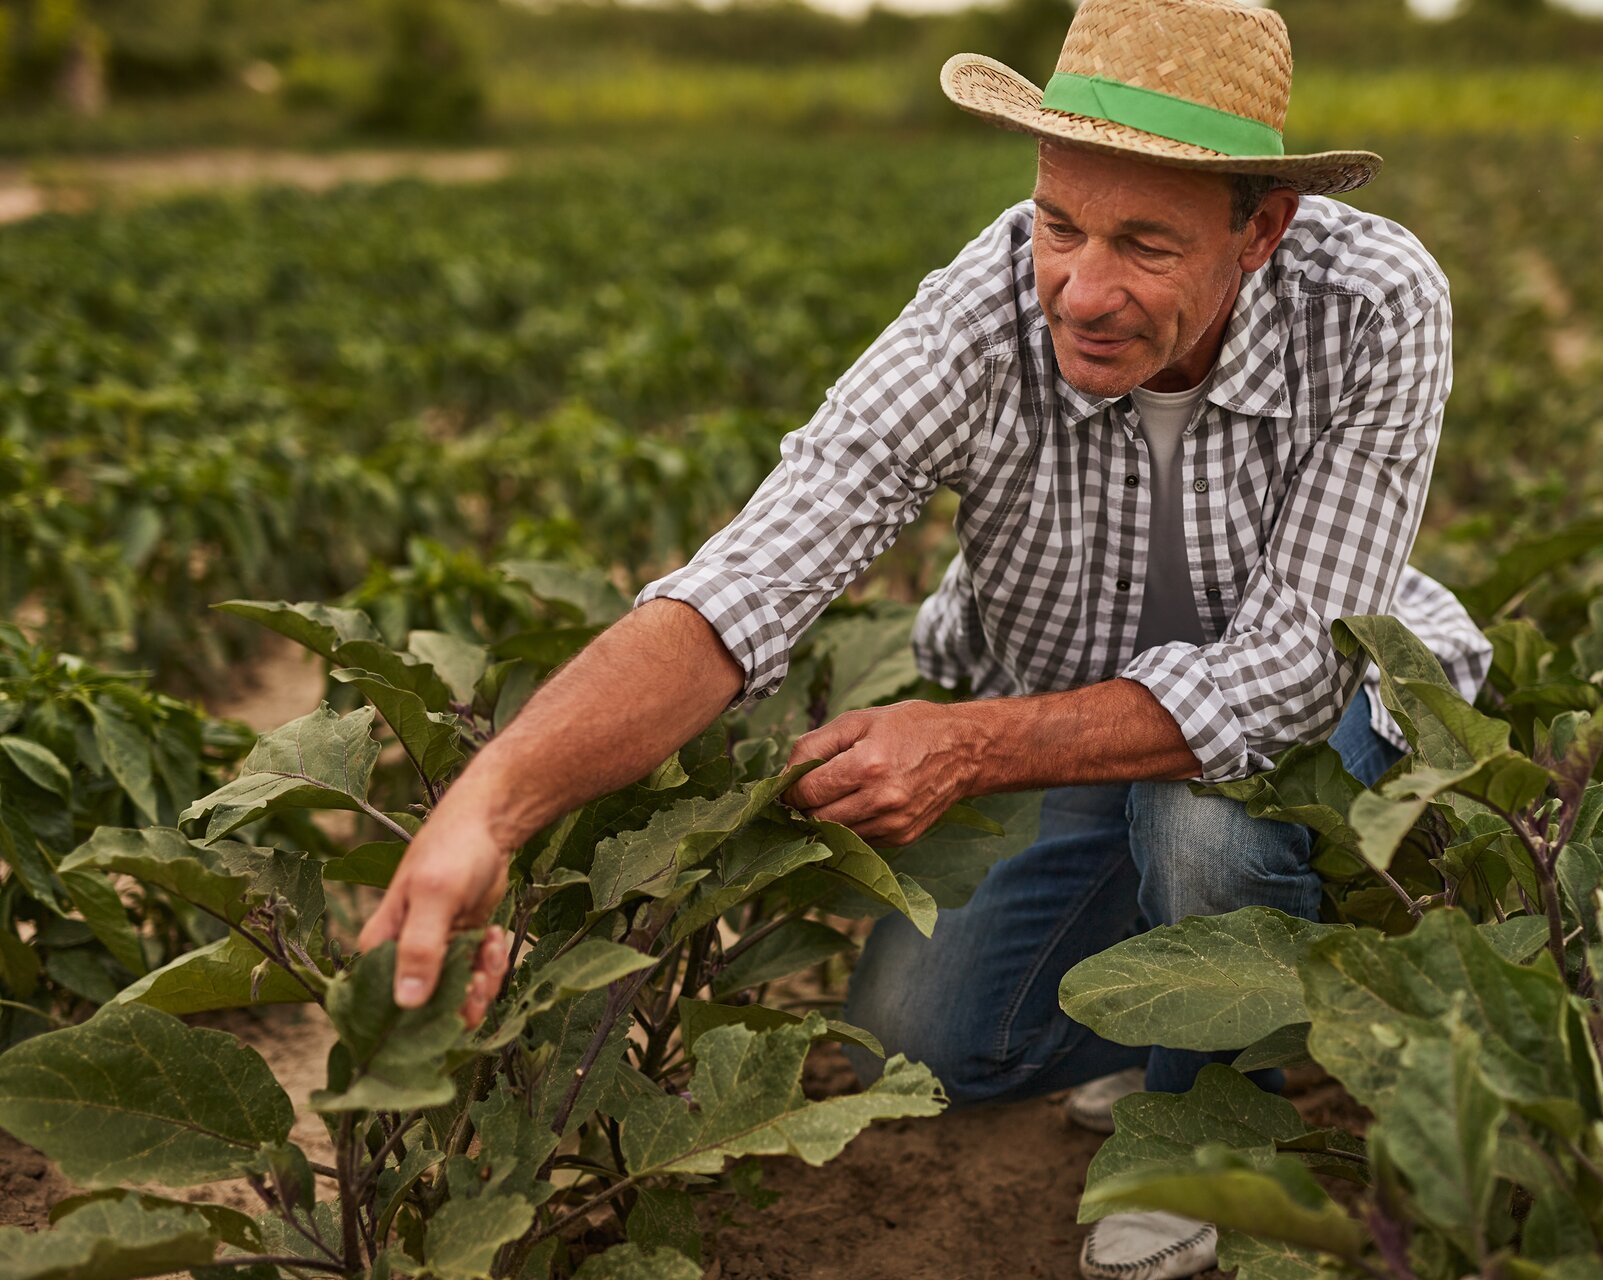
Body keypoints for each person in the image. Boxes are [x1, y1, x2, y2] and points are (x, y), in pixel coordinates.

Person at [359, 0, 1491, 1274]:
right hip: (1068, 715)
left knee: (1205, 820)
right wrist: (490, 804)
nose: (1083, 287)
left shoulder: (1376, 301)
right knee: (922, 1038)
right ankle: (1179, 996)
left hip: (1302, 720)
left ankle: (1207, 1114)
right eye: (1062, 224)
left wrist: (967, 748)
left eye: (1146, 244)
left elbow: (1285, 674)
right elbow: (749, 578)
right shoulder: (982, 308)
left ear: (1261, 230)